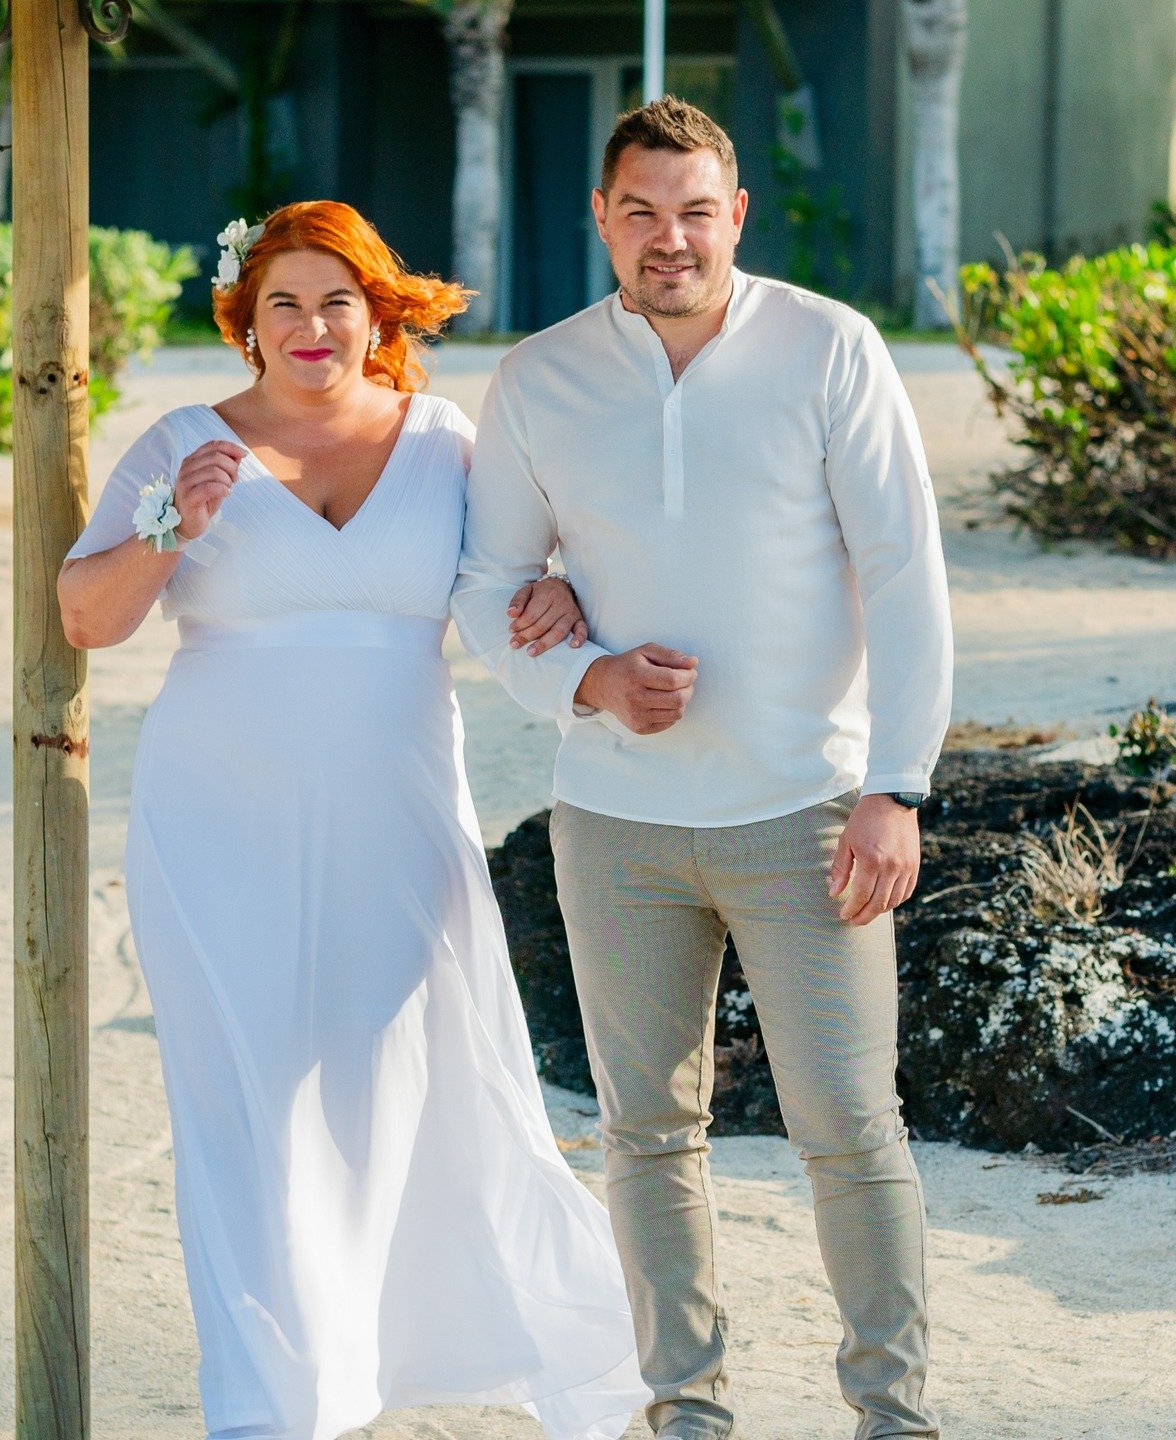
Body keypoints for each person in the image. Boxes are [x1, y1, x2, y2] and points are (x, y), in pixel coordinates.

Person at [56, 200, 648, 1440]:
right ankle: (281, 1405)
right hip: (218, 821)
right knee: (251, 1106)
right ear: (246, 319)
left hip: (400, 814)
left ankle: (504, 1347)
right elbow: (85, 615)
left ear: (380, 311)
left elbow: (505, 583)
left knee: (433, 1076)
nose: (312, 326)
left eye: (337, 299)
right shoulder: (183, 443)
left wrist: (552, 595)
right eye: (284, 302)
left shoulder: (445, 441)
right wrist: (176, 528)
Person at [451, 98, 953, 1440]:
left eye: (693, 212)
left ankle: (894, 1417)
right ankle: (688, 1412)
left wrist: (897, 785)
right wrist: (585, 677)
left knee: (850, 1128)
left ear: (736, 216)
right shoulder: (540, 377)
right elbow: (488, 580)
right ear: (603, 220)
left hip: (808, 812)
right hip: (614, 821)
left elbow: (906, 578)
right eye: (639, 213)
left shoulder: (831, 349)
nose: (667, 239)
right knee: (647, 1133)